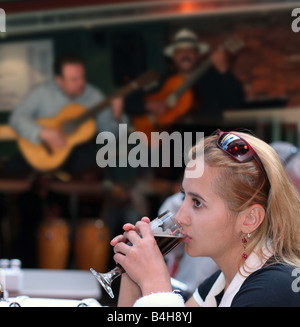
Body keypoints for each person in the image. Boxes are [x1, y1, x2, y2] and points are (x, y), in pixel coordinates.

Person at [111, 129, 300, 307]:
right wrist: (133, 274)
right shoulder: (221, 282)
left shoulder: (273, 290)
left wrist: (154, 284)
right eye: (184, 196)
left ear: (250, 219)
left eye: (197, 203)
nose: (179, 217)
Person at [8, 53, 128, 175]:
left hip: (77, 160)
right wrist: (41, 132)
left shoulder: (94, 96)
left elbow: (110, 135)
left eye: (82, 77)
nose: (81, 83)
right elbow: (17, 118)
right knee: (10, 170)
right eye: (74, 79)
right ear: (59, 81)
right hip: (40, 150)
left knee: (92, 167)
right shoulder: (41, 92)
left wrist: (117, 116)